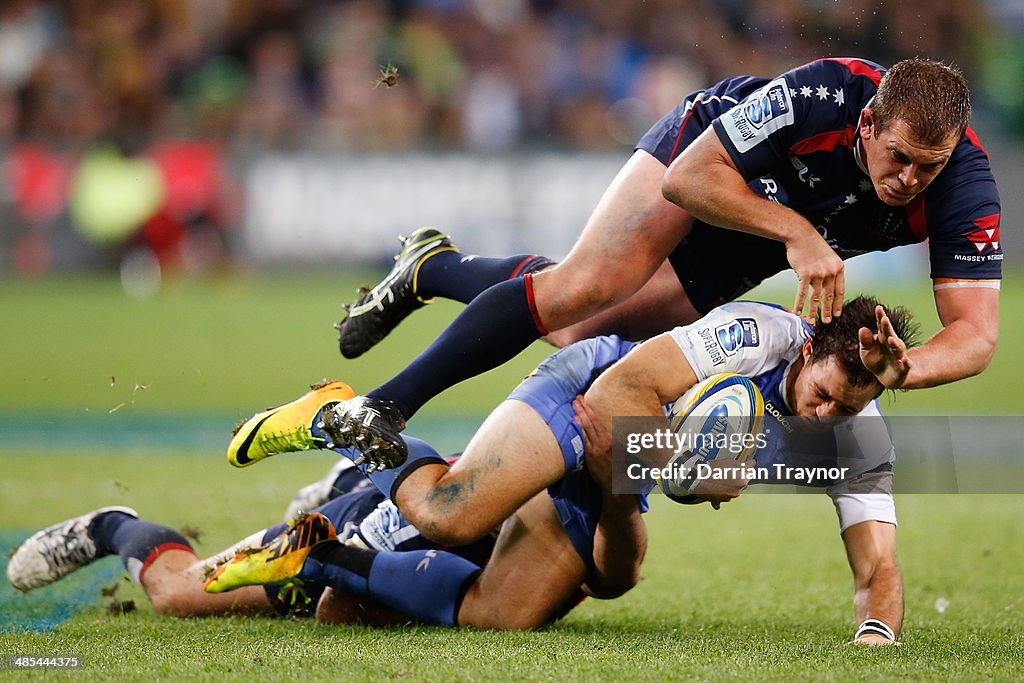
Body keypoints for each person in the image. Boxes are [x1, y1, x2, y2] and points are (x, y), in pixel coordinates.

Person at [330, 57, 999, 468]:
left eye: (928, 166)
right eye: (900, 157)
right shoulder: (824, 94)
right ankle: (385, 407)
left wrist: (906, 368)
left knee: (577, 327)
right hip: (711, 161)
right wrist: (799, 234)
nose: (912, 178)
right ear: (870, 127)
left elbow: (976, 333)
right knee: (588, 284)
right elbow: (688, 180)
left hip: (758, 232)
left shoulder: (963, 183)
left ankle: (431, 267)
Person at [226, 295, 918, 644]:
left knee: (516, 613)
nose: (826, 415)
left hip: (624, 453)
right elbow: (619, 394)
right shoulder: (758, 335)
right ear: (805, 355)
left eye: (847, 406)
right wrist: (688, 474)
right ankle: (336, 419)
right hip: (589, 388)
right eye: (823, 393)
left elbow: (878, 570)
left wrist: (875, 641)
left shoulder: (856, 435)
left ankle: (321, 557)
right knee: (451, 513)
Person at [6, 423, 640, 629]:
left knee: (342, 613)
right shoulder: (562, 448)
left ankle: (342, 485)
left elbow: (617, 576)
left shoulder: (618, 495)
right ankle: (113, 528)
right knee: (178, 595)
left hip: (421, 547)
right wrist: (329, 557)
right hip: (381, 525)